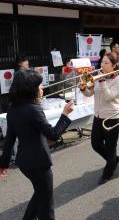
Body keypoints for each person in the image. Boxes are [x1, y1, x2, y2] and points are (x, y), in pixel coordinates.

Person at [0, 69, 74, 220]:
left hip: (24, 163)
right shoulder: (34, 109)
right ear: (30, 89)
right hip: (39, 164)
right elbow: (53, 134)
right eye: (39, 86)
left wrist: (3, 164)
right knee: (46, 205)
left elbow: (9, 140)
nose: (42, 88)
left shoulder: (12, 109)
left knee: (40, 193)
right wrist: (65, 114)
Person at [79, 53, 119, 185]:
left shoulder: (118, 80)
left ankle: (108, 172)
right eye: (102, 62)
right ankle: (113, 160)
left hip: (112, 117)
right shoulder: (98, 77)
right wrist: (83, 89)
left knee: (110, 147)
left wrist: (102, 81)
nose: (102, 65)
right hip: (98, 116)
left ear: (114, 66)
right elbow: (90, 93)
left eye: (106, 63)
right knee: (95, 144)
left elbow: (109, 97)